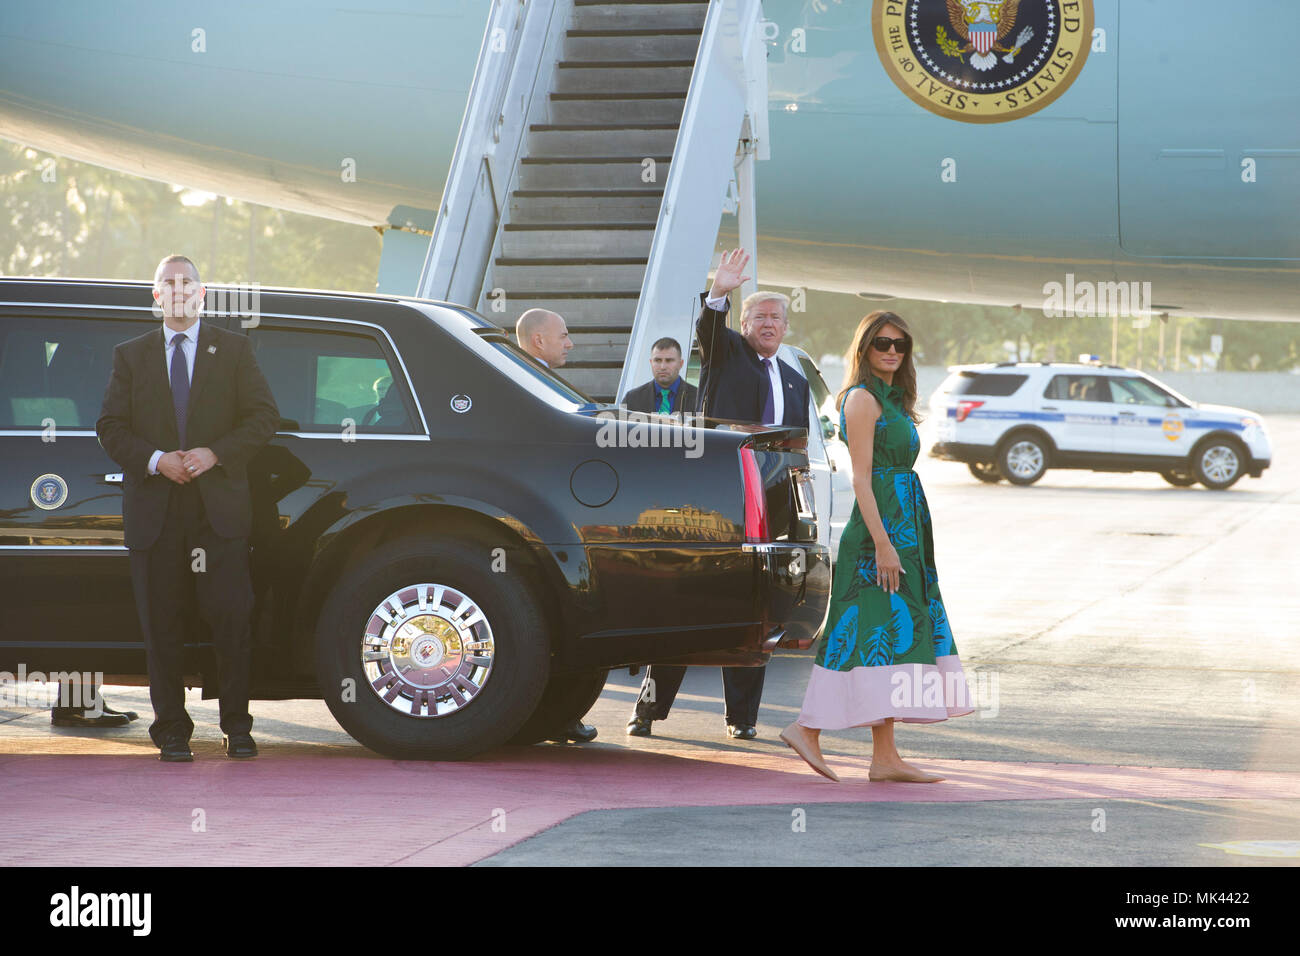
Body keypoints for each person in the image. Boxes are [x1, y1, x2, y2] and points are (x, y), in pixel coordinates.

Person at [96, 254, 279, 762]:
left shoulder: (235, 350)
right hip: (156, 515)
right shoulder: (130, 356)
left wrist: (214, 453)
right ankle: (171, 732)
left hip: (217, 513)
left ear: (203, 293)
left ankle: (237, 729)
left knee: (231, 622)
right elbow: (110, 428)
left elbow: (264, 417)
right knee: (162, 627)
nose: (178, 290)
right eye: (167, 283)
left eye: (187, 282)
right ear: (156, 297)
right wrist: (156, 460)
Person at [780, 311, 975, 783]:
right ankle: (806, 728)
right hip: (876, 538)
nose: (892, 351)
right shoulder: (862, 400)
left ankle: (884, 757)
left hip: (905, 533)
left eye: (900, 344)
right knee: (857, 632)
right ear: (864, 348)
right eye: (882, 343)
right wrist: (884, 546)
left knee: (883, 639)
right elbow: (862, 480)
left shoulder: (894, 399)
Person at [627, 248, 809, 741]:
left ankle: (743, 718)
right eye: (760, 316)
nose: (769, 323)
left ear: (786, 327)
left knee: (756, 613)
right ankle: (647, 710)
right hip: (714, 501)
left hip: (769, 511)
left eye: (777, 317)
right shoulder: (728, 353)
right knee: (686, 606)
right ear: (744, 322)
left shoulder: (794, 379)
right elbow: (709, 329)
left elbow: (797, 448)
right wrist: (720, 292)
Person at [513, 307, 598, 745]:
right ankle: (552, 717)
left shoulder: (535, 379)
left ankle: (555, 716)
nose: (570, 343)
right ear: (539, 341)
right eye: (563, 335)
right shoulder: (527, 382)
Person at [622, 337, 698, 416]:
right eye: (657, 360)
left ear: (681, 364)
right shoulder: (632, 399)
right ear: (651, 363)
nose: (663, 367)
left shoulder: (699, 399)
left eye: (669, 360)